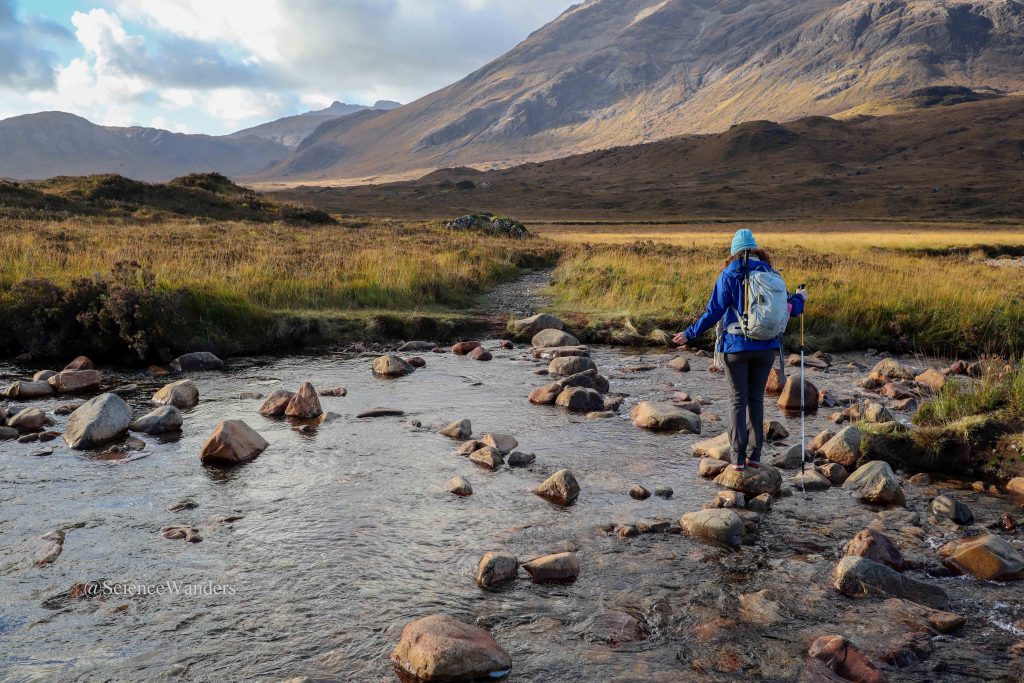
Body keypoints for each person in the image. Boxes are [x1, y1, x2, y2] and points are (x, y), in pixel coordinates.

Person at [672, 229, 806, 471]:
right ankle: (755, 457)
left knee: (737, 401)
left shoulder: (729, 274)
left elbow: (713, 312)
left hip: (735, 347)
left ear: (734, 252)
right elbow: (791, 308)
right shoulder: (770, 273)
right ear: (755, 249)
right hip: (766, 347)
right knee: (756, 400)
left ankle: (737, 460)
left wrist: (690, 334)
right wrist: (801, 298)